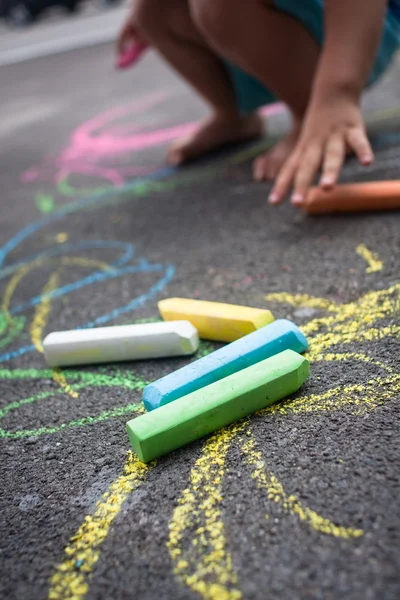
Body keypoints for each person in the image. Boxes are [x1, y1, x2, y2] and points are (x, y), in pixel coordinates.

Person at [117, 1, 400, 206]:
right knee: (153, 8)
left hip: (363, 27)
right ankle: (233, 115)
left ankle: (313, 113)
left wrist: (338, 94)